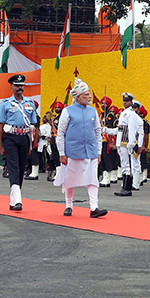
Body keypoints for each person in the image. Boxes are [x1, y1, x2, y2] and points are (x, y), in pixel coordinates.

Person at [51, 78, 109, 218]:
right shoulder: (67, 111)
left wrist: (99, 152)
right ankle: (69, 205)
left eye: (89, 94)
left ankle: (94, 207)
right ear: (78, 97)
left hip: (91, 151)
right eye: (86, 95)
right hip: (72, 152)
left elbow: (97, 132)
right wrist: (62, 153)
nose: (89, 97)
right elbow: (61, 134)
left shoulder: (93, 111)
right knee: (69, 178)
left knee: (92, 179)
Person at [0, 74, 39, 211]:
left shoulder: (30, 104)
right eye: (17, 85)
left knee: (21, 168)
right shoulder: (6, 104)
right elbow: (1, 126)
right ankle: (18, 201)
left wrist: (32, 143)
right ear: (11, 87)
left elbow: (33, 125)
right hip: (10, 137)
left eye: (21, 85)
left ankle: (13, 199)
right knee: (13, 166)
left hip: (24, 137)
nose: (20, 88)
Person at [106, 92, 144, 196]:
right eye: (124, 101)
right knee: (124, 164)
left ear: (131, 102)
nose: (125, 102)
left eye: (127, 101)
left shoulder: (131, 114)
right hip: (121, 141)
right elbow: (120, 129)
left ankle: (127, 188)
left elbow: (132, 129)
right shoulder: (124, 113)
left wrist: (131, 143)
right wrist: (107, 130)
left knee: (126, 165)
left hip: (125, 142)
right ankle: (125, 187)